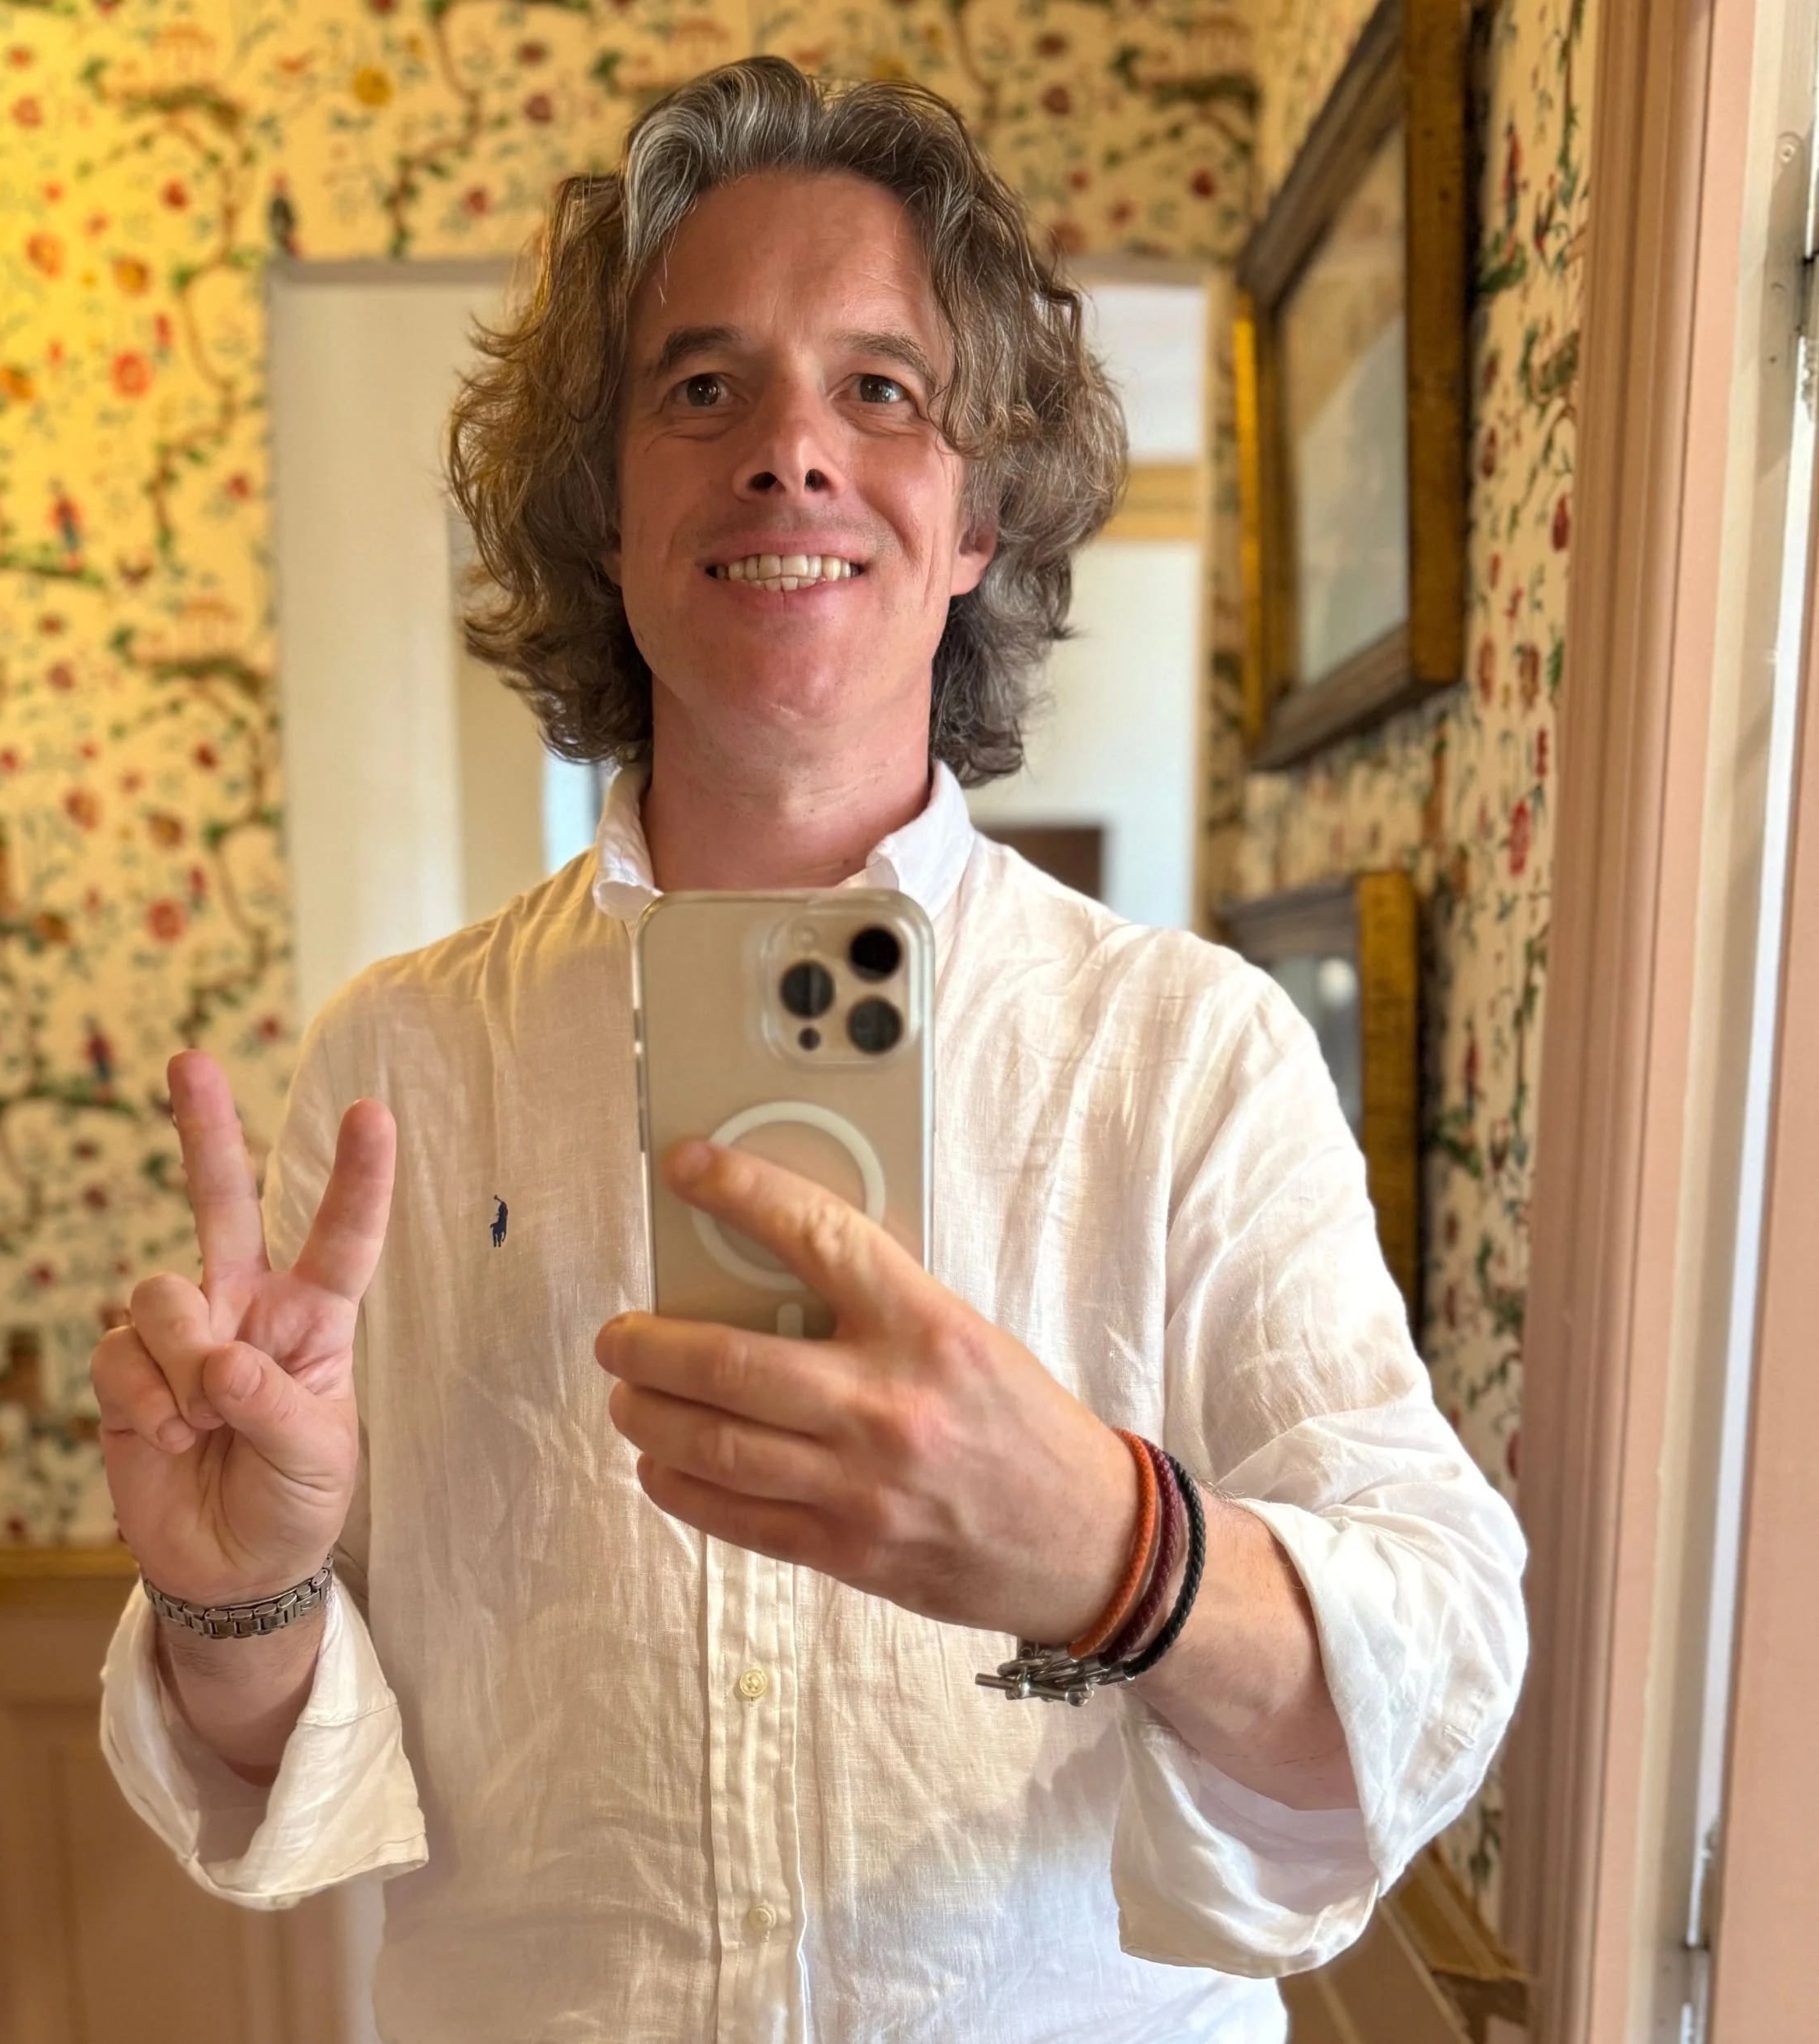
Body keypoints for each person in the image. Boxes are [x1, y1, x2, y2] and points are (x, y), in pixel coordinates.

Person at [95, 58, 1526, 2043]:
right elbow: (293, 1761)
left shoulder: (1189, 1056)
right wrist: (233, 1591)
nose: (788, 450)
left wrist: (1114, 1551)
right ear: (603, 517)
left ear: (976, 517)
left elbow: (1432, 1672)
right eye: (702, 387)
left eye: (880, 387)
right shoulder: (395, 1065)